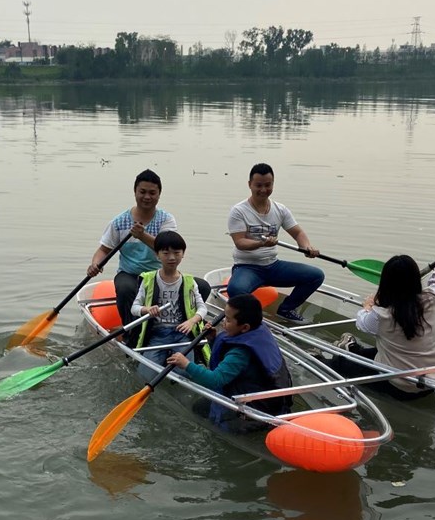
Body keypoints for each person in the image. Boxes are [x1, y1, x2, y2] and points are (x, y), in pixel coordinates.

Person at [86, 169, 211, 339]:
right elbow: (103, 250)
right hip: (131, 274)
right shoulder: (119, 222)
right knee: (124, 288)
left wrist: (142, 235)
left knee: (202, 286)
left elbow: (167, 247)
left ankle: (182, 324)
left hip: (160, 274)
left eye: (152, 193)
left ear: (159, 194)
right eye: (142, 192)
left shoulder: (166, 219)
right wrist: (95, 264)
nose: (147, 197)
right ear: (135, 192)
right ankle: (132, 334)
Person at [335, 249, 435, 398]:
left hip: (398, 387)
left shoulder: (381, 316)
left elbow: (362, 323)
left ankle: (322, 358)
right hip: (432, 383)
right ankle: (352, 348)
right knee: (380, 350)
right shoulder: (432, 298)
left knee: (340, 363)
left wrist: (368, 306)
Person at [167, 293, 293, 431]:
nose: (223, 322)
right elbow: (228, 360)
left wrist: (186, 364)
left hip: (252, 408)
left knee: (218, 425)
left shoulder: (241, 354)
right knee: (198, 408)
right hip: (253, 390)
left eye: (228, 320)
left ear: (245, 327)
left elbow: (214, 380)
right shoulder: (258, 330)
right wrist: (213, 339)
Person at [226, 162, 324, 323]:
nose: (263, 190)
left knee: (316, 276)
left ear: (273, 184)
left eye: (268, 185)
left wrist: (306, 246)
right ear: (250, 184)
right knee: (236, 289)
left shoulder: (280, 209)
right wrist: (261, 243)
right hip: (247, 266)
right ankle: (254, 320)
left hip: (273, 265)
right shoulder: (239, 211)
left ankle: (286, 309)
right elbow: (240, 242)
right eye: (258, 185)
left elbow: (298, 232)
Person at [130, 231, 209, 378]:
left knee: (184, 374)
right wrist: (147, 309)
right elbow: (134, 308)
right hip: (157, 335)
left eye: (176, 253)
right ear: (157, 255)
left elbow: (202, 308)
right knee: (144, 376)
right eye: (166, 253)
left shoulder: (189, 281)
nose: (172, 257)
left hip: (182, 334)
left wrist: (192, 321)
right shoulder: (148, 279)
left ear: (183, 254)